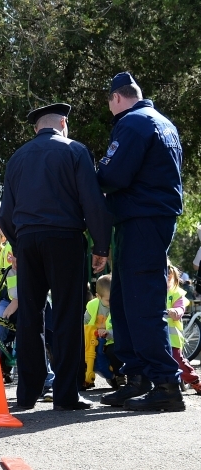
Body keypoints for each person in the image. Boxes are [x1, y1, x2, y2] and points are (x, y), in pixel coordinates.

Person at [0, 102, 111, 410]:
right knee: (67, 314)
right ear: (63, 123)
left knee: (30, 316)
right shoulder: (75, 151)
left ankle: (27, 393)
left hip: (28, 241)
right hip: (65, 239)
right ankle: (66, 393)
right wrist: (101, 246)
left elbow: (5, 213)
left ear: (37, 128)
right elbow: (91, 201)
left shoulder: (17, 157)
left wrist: (18, 245)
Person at [96, 72, 185, 411]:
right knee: (122, 299)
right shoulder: (162, 123)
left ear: (116, 98)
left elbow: (113, 175)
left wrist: (87, 179)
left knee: (141, 301)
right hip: (145, 219)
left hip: (142, 221)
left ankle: (165, 383)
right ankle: (136, 377)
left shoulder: (132, 123)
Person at [83, 274, 125, 390]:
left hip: (111, 339)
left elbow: (120, 327)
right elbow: (85, 321)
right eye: (108, 300)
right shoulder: (92, 305)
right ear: (98, 296)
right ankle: (84, 376)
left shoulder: (118, 306)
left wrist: (108, 332)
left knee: (115, 352)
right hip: (93, 340)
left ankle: (120, 376)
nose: (112, 302)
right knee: (82, 352)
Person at [166, 263, 201, 394]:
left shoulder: (176, 293)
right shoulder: (152, 293)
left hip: (172, 338)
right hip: (154, 336)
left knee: (177, 360)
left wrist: (175, 311)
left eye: (168, 278)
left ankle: (194, 381)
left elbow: (180, 307)